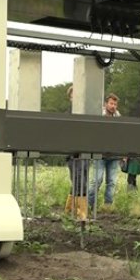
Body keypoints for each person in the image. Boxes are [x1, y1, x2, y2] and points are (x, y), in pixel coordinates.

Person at [88, 93, 121, 210]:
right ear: (106, 104)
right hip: (100, 154)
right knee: (97, 180)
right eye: (111, 103)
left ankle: (108, 206)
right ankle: (90, 205)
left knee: (111, 182)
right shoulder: (99, 116)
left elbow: (120, 136)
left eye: (115, 104)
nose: (113, 106)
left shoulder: (118, 117)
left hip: (114, 155)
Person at [64, 86, 89, 220]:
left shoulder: (86, 113)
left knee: (80, 181)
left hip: (85, 152)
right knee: (79, 182)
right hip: (73, 154)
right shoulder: (69, 114)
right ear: (71, 97)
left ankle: (68, 211)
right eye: (75, 95)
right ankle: (81, 214)